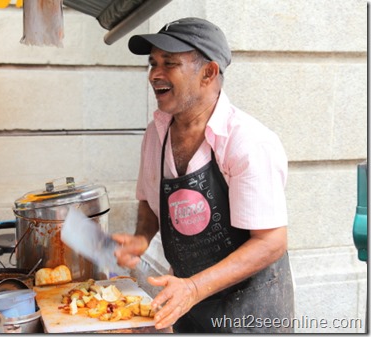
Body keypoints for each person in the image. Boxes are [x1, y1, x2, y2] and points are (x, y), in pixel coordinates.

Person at [112, 17, 295, 333]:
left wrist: (194, 288)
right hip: (190, 308)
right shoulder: (156, 135)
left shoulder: (248, 141)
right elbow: (149, 201)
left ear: (208, 73)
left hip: (252, 313)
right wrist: (141, 237)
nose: (155, 74)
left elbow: (270, 242)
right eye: (153, 63)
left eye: (169, 64)